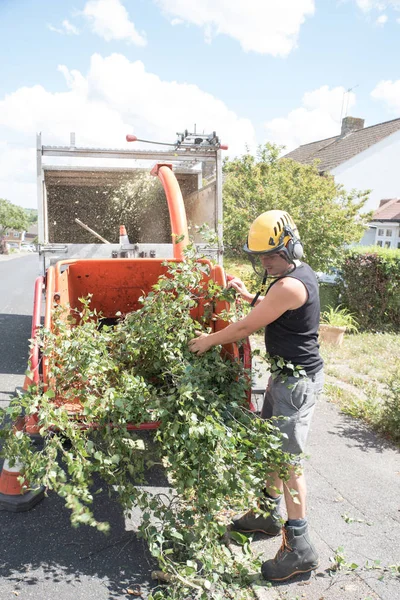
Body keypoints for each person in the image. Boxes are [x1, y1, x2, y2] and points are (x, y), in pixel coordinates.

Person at [188, 209, 324, 582]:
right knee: (271, 449)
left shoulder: (290, 285)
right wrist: (249, 294)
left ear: (290, 246)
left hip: (297, 385)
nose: (265, 261)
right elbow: (270, 311)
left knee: (288, 462)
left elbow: (248, 325)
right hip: (286, 378)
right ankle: (265, 514)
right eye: (260, 256)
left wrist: (208, 341)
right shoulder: (290, 278)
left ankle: (300, 549)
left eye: (271, 255)